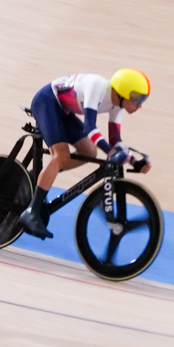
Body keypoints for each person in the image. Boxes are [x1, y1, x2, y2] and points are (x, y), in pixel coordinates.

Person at [18, 69, 152, 239]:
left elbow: (115, 140)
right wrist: (111, 152)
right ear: (124, 93)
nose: (140, 105)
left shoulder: (118, 105)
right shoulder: (97, 87)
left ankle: (39, 177)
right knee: (60, 156)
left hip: (62, 111)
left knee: (89, 151)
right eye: (138, 99)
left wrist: (134, 162)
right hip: (47, 102)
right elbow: (89, 127)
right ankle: (31, 212)